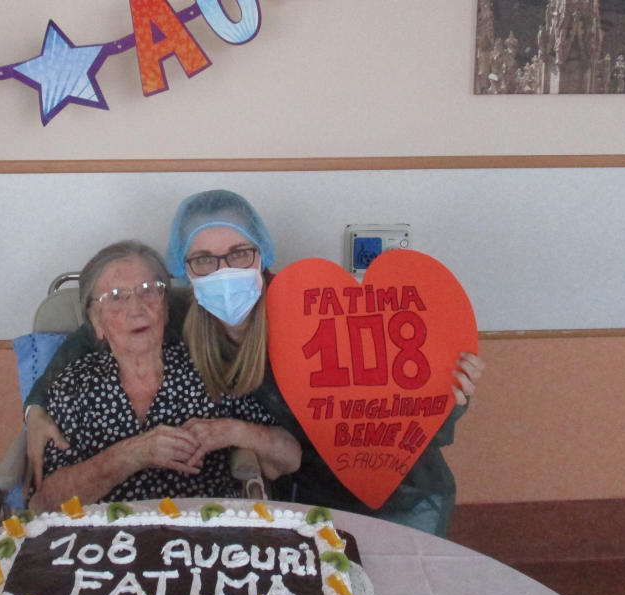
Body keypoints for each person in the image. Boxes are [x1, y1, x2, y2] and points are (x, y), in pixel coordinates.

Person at [24, 192, 484, 537]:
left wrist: (450, 393)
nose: (223, 272)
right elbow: (99, 329)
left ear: (262, 255)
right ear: (185, 270)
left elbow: (400, 391)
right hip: (308, 495)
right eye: (204, 259)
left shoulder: (313, 311)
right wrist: (37, 404)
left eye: (239, 254)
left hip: (398, 490)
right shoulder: (184, 314)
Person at [26, 239, 300, 514]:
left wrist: (232, 430)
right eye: (117, 297)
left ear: (166, 308)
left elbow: (290, 457)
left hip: (203, 541)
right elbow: (43, 505)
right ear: (96, 323)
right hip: (99, 546)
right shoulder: (73, 386)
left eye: (148, 291)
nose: (136, 309)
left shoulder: (208, 368)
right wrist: (133, 454)